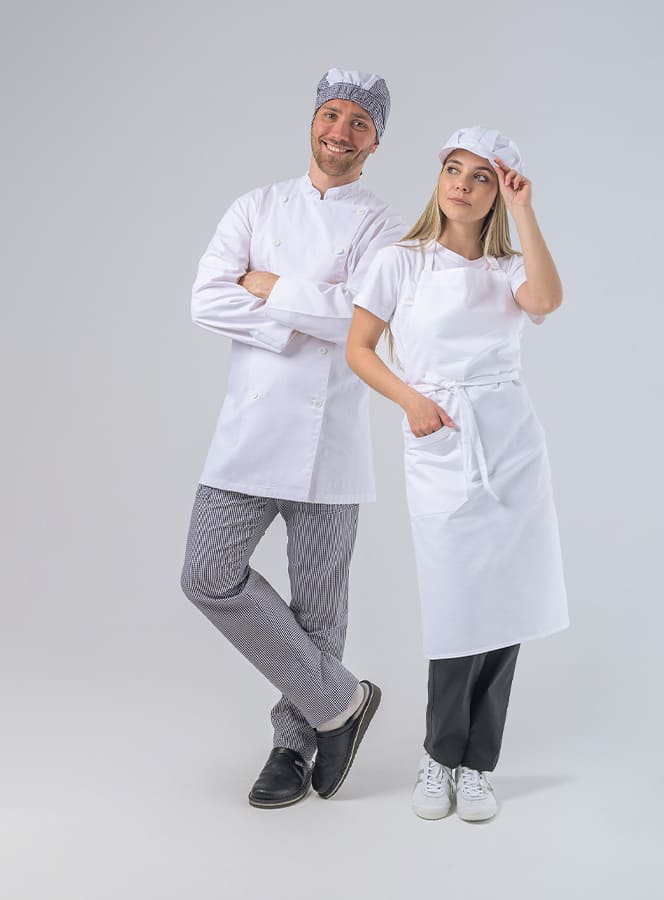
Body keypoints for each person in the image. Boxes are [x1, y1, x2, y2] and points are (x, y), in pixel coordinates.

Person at [180, 68, 405, 808]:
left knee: (319, 610)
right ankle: (341, 701)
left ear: (376, 141)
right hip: (249, 431)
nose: (340, 132)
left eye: (359, 124)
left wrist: (268, 285)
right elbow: (206, 298)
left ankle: (291, 745)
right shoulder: (256, 205)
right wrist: (314, 315)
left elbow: (358, 321)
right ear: (313, 121)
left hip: (330, 440)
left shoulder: (380, 224)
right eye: (331, 116)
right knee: (208, 574)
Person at [346, 126, 569, 822]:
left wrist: (526, 210)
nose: (462, 186)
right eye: (453, 170)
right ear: (438, 177)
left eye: (481, 177)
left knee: (510, 604)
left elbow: (547, 301)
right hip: (442, 438)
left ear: (498, 192)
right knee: (455, 603)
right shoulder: (400, 262)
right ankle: (438, 755)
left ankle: (478, 766)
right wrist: (412, 400)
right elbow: (359, 348)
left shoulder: (507, 270)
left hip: (509, 442)